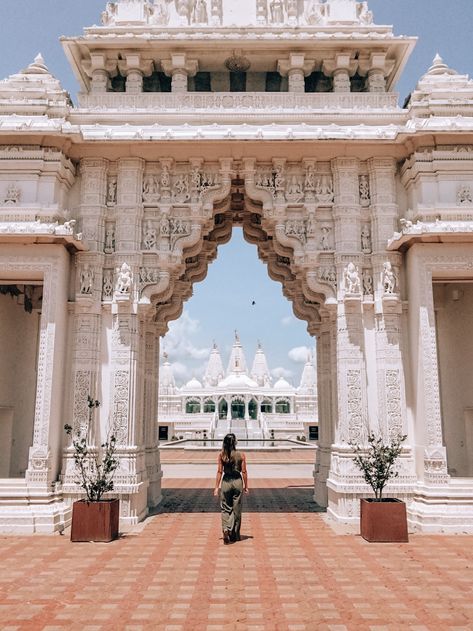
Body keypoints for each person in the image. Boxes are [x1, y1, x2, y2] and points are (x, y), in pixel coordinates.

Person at [213, 433, 249, 544]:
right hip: (237, 481)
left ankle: (225, 528)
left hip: (226, 481)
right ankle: (233, 534)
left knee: (225, 507)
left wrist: (216, 487)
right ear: (235, 443)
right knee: (236, 509)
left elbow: (219, 471)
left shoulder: (222, 455)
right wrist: (246, 486)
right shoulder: (241, 455)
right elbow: (244, 471)